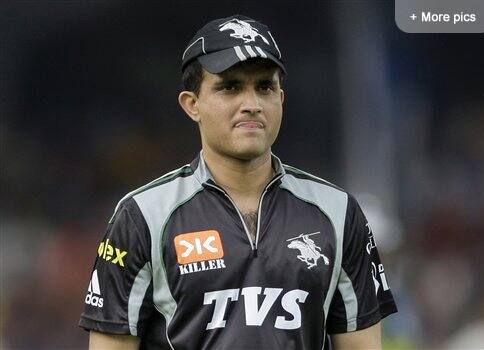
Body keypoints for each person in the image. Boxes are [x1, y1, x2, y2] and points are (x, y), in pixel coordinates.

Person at [79, 14, 397, 350]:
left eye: (265, 87)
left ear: (281, 100)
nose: (252, 104)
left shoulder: (339, 212)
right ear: (192, 104)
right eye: (230, 87)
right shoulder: (142, 216)